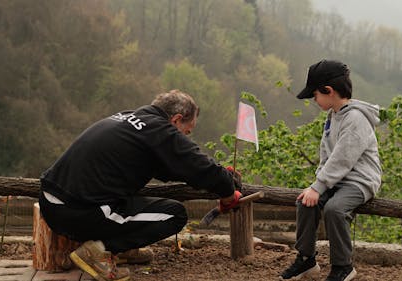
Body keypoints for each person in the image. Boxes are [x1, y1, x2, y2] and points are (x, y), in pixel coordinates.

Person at [39, 89, 242, 281]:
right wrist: (227, 191)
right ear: (176, 119)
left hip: (52, 201)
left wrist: (218, 178)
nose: (184, 138)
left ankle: (123, 250)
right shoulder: (159, 130)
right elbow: (198, 165)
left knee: (132, 202)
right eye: (186, 132)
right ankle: (98, 252)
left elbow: (175, 169)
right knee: (174, 215)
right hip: (78, 211)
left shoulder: (130, 118)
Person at [280, 59, 382, 281]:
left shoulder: (355, 118)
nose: (314, 99)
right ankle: (306, 259)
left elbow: (343, 159)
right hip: (337, 179)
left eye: (315, 94)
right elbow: (326, 155)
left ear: (329, 91)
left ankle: (343, 266)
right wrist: (315, 185)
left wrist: (319, 186)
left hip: (360, 180)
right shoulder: (333, 116)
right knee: (305, 202)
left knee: (334, 209)